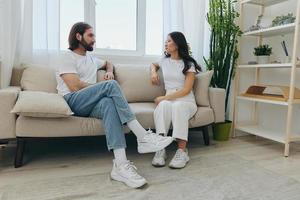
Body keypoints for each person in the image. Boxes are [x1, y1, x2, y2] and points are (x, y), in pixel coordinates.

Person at [55, 22, 174, 188]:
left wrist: (109, 71)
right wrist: (103, 87)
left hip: (92, 103)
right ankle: (142, 136)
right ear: (78, 36)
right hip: (74, 100)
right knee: (110, 86)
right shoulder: (67, 56)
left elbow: (108, 63)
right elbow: (74, 86)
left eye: (94, 36)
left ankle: (120, 165)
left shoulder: (90, 58)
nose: (94, 39)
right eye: (90, 35)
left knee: (109, 104)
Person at [150, 32, 201, 169]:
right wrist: (154, 73)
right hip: (170, 99)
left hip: (186, 101)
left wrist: (163, 97)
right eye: (165, 41)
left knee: (177, 106)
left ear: (178, 44)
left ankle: (182, 151)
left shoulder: (188, 64)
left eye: (169, 41)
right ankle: (161, 149)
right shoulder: (164, 61)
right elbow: (153, 64)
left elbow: (186, 90)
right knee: (163, 106)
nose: (166, 43)